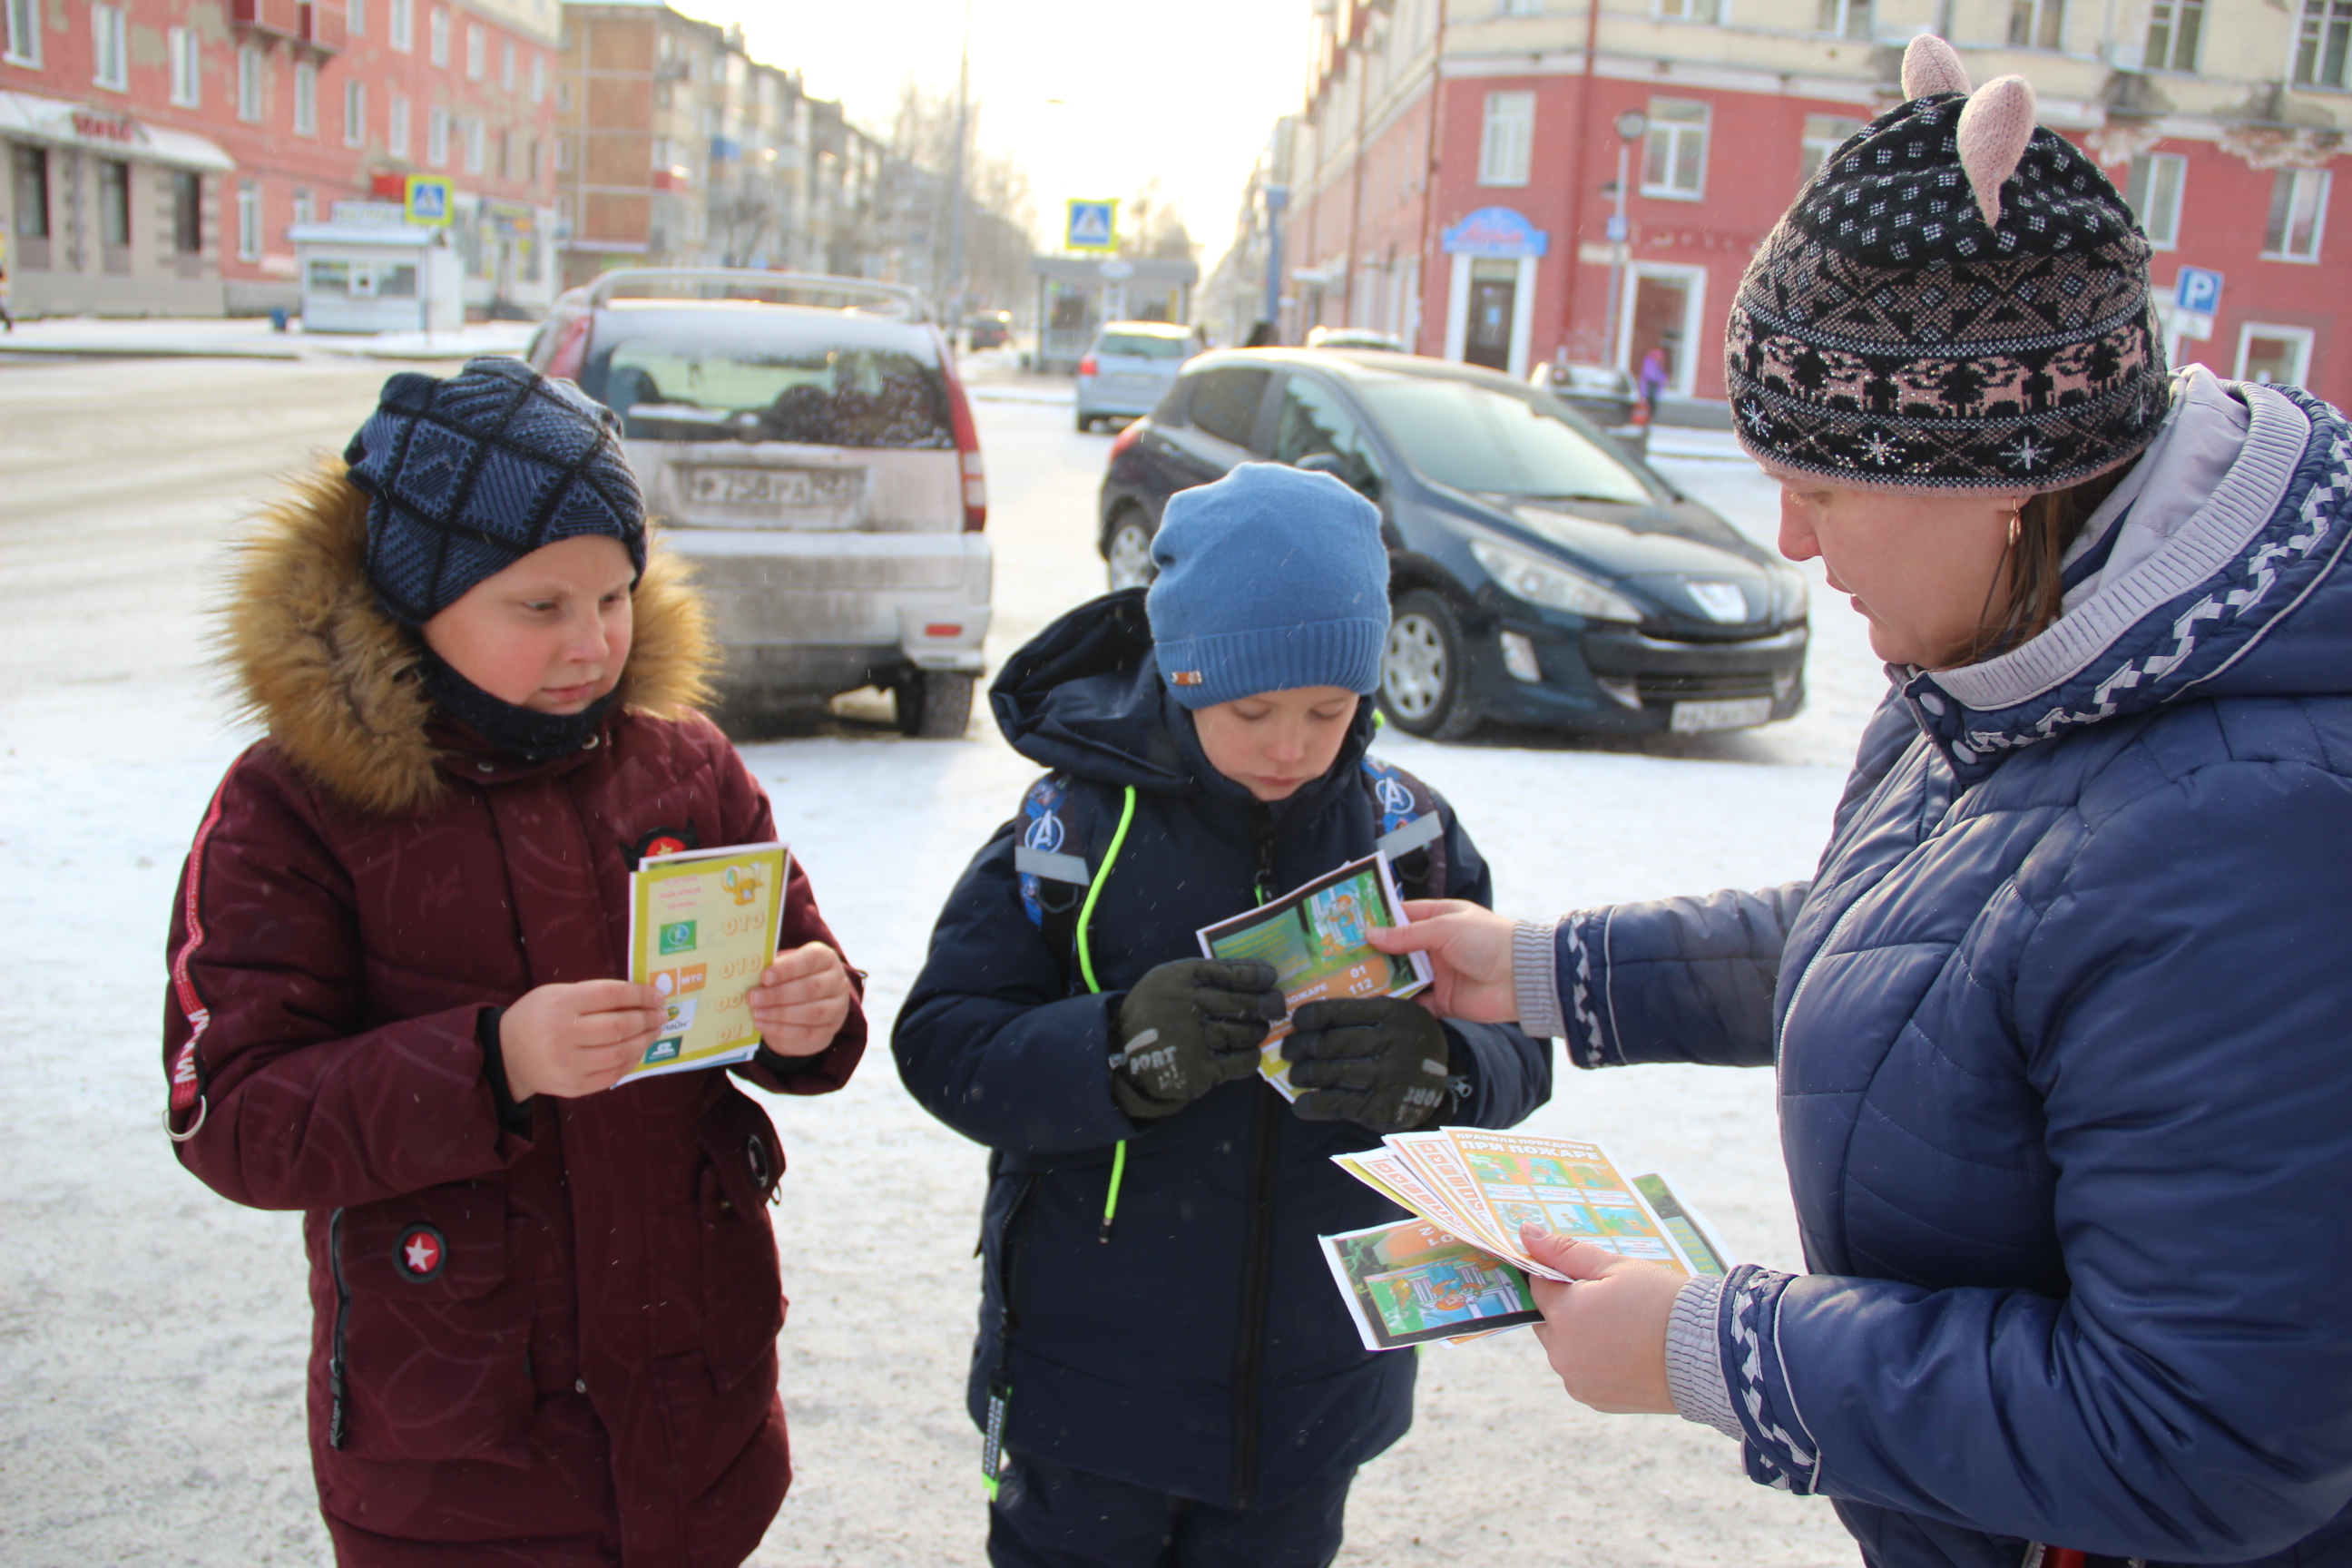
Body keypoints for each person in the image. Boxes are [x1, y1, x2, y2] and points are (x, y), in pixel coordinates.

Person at [1371, 35, 2352, 1568]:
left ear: (1996, 474)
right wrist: (1548, 972)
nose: (1795, 543)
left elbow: (2208, 1439)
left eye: (1821, 490)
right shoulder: (2019, 655)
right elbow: (1924, 952)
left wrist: (1721, 1349)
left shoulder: (2257, 837)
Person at [162, 357, 867, 1566]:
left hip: (696, 1404)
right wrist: (491, 1061)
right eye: (540, 607)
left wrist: (814, 1014)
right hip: (458, 1453)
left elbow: (794, 962)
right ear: (415, 600)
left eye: (614, 595)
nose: (592, 641)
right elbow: (233, 1114)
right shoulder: (298, 808)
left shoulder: (684, 766)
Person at [893, 463, 1551, 1568]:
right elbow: (945, 1043)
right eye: (1252, 711)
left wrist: (1440, 1070)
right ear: (1184, 673)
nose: (1293, 745)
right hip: (1090, 1383)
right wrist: (1115, 1052)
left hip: (1316, 1387)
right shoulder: (1072, 829)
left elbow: (1520, 1041)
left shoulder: (1405, 835)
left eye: (1329, 711)